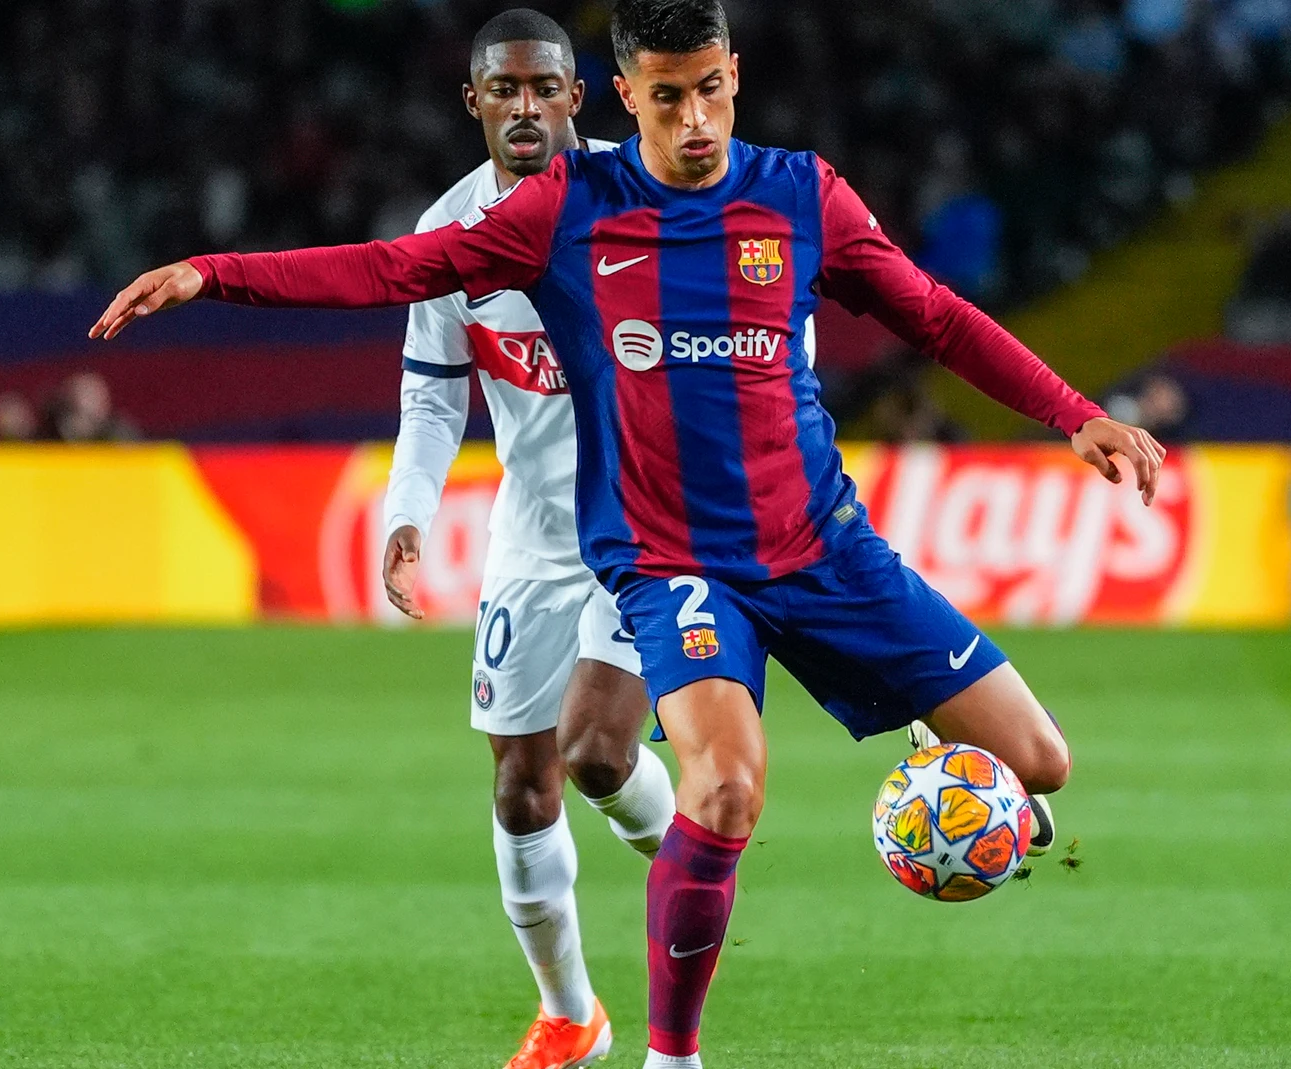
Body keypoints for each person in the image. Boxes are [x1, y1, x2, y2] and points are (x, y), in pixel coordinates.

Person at [88, 2, 1166, 1064]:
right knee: (722, 785)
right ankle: (670, 1056)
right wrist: (214, 274)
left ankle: (925, 751)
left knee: (1042, 765)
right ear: (625, 96)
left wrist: (1074, 413)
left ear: (734, 75)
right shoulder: (567, 208)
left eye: (708, 90)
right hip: (671, 563)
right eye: (666, 97)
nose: (693, 119)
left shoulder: (802, 194)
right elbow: (394, 270)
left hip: (824, 546)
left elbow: (930, 312)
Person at [377, 11, 675, 1069]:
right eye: (502, 90)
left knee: (596, 753)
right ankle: (570, 1013)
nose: (523, 106)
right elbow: (428, 400)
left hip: (649, 523)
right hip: (534, 537)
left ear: (575, 98)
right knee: (519, 782)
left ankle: (690, 846)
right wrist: (405, 512)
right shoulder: (450, 235)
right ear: (475, 103)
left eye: (542, 88)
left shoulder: (642, 200)